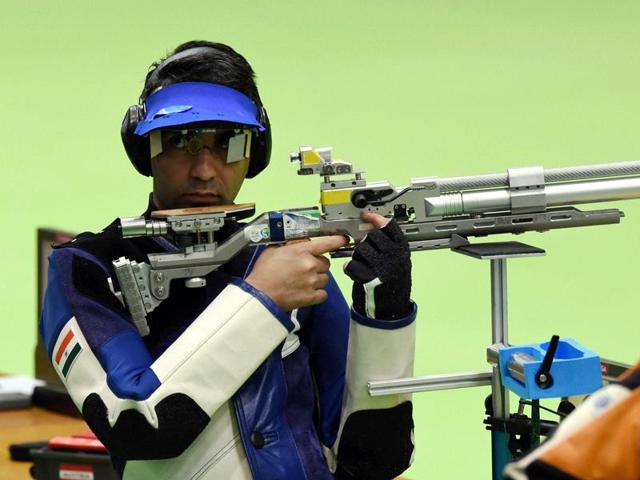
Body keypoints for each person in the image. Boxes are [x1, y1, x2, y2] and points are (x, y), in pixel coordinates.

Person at [40, 40, 417, 480]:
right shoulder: (87, 269)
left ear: (254, 153)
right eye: (181, 141)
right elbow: (138, 425)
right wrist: (263, 299)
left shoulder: (285, 255)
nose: (204, 170)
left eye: (228, 144)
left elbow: (375, 460)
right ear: (144, 149)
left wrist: (384, 319)